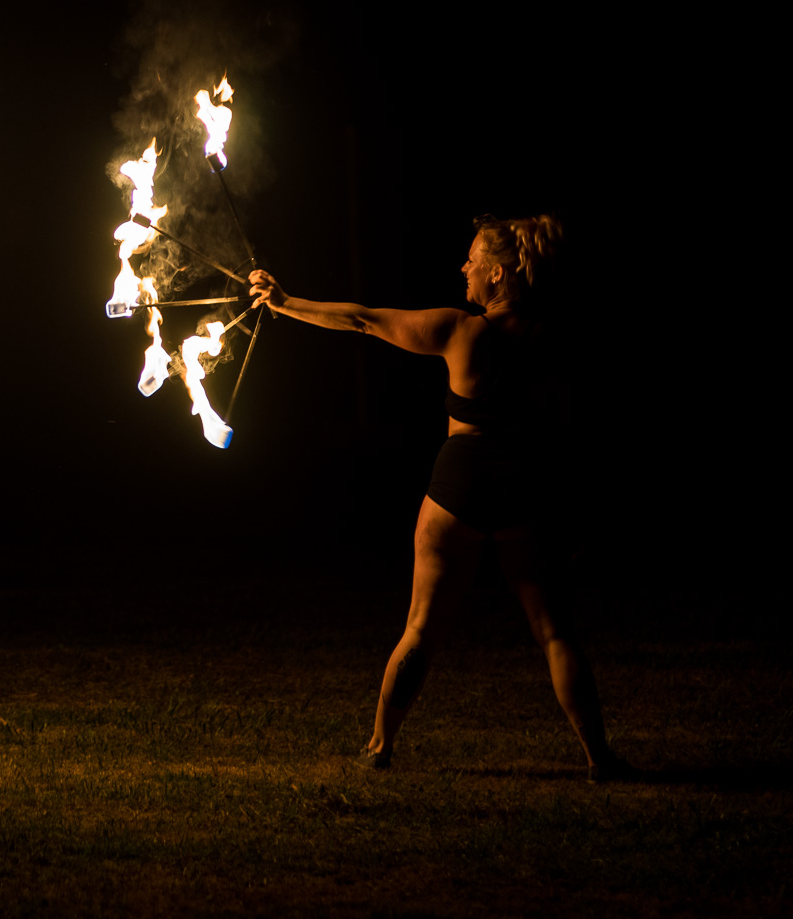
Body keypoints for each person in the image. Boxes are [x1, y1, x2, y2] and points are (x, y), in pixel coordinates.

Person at [249, 214, 634, 781]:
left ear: (497, 273)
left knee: (422, 628)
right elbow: (570, 430)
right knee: (555, 631)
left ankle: (379, 746)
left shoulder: (463, 331)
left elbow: (363, 320)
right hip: (525, 486)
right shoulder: (552, 340)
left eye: (473, 259)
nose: (464, 267)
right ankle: (599, 757)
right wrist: (571, 511)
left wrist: (285, 303)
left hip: (461, 483)